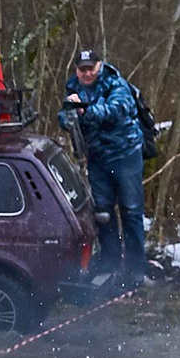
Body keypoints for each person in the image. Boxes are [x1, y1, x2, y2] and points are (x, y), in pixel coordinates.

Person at [59, 48, 147, 286]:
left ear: (99, 66)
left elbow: (114, 111)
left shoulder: (115, 83)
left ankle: (136, 269)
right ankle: (110, 264)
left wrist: (83, 110)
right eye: (82, 69)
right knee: (103, 213)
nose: (87, 74)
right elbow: (64, 117)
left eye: (91, 68)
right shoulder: (73, 87)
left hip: (125, 155)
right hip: (97, 159)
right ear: (76, 69)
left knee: (131, 211)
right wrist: (68, 115)